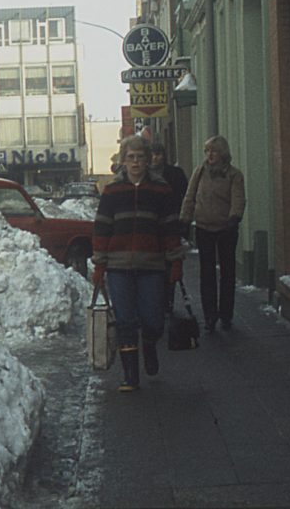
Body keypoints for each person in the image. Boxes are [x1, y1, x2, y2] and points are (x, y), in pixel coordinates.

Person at [92, 135, 184, 392]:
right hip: (118, 265)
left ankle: (150, 343)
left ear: (147, 161)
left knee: (153, 319)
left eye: (140, 157)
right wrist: (99, 264)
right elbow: (102, 227)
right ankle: (130, 375)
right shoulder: (112, 191)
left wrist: (175, 260)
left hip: (152, 265)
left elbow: (170, 226)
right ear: (123, 161)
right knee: (125, 320)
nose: (135, 162)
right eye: (130, 157)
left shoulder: (160, 190)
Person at [180, 135, 245, 333]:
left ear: (222, 153)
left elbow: (238, 198)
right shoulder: (200, 172)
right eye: (207, 151)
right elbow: (190, 196)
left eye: (214, 151)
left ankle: (226, 313)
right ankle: (210, 315)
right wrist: (184, 219)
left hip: (226, 228)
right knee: (206, 273)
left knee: (227, 272)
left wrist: (234, 218)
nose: (210, 155)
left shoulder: (234, 175)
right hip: (203, 227)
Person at [150, 142, 189, 313]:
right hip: (150, 228)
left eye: (158, 154)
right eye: (152, 154)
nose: (155, 158)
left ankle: (167, 301)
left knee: (169, 265)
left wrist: (182, 222)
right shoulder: (143, 175)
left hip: (170, 224)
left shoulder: (175, 174)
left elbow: (184, 196)